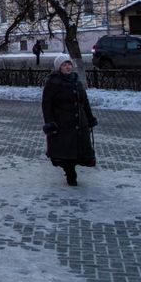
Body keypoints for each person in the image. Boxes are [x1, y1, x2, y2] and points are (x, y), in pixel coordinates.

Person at [41, 54, 98, 186]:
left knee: (79, 149)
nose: (67, 67)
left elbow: (85, 102)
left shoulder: (76, 81)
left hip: (80, 123)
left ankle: (72, 170)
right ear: (59, 67)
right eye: (64, 65)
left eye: (69, 64)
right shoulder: (53, 82)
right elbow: (47, 104)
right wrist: (50, 122)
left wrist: (90, 118)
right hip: (63, 124)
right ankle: (70, 173)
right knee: (67, 151)